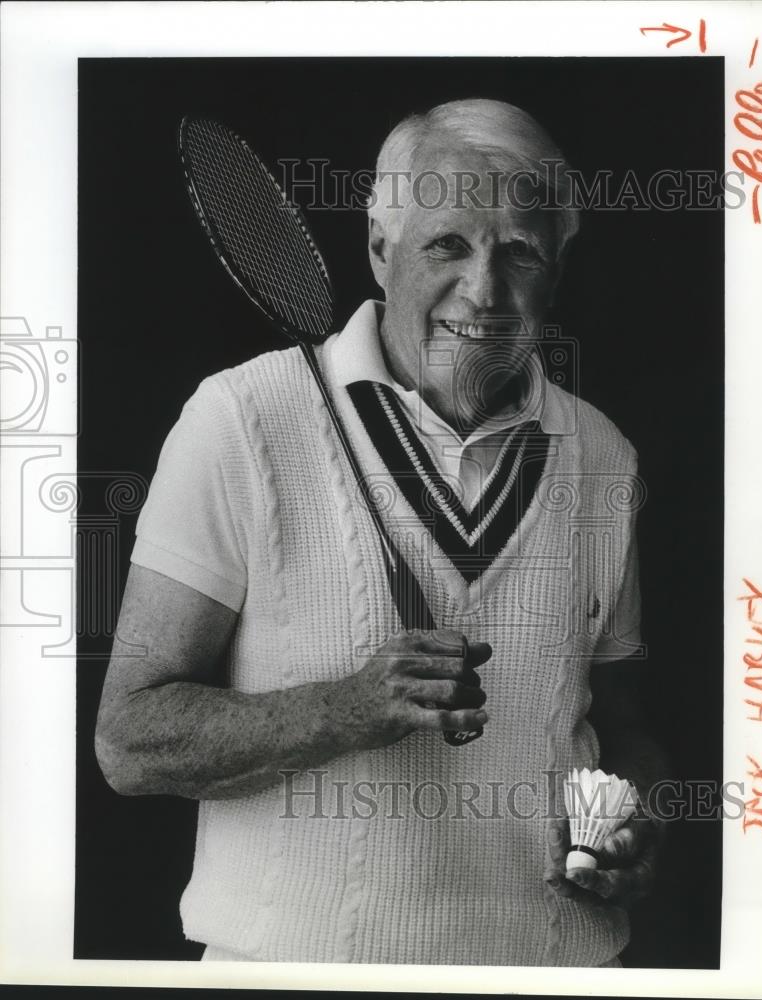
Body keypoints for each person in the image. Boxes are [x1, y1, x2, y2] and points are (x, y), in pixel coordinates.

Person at [96, 98, 663, 966]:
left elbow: (621, 723)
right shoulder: (242, 418)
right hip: (296, 975)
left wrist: (629, 821)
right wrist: (347, 708)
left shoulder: (602, 454)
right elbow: (129, 741)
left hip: (559, 971)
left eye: (520, 251)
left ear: (558, 265)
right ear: (378, 250)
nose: (484, 291)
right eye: (448, 244)